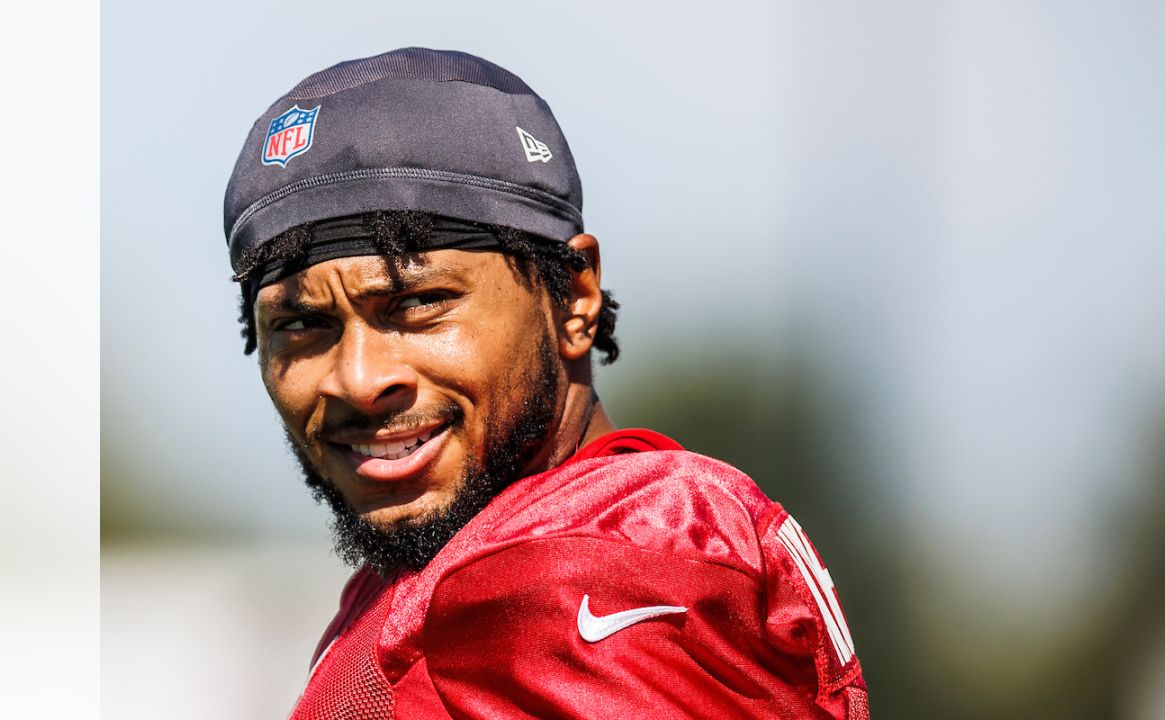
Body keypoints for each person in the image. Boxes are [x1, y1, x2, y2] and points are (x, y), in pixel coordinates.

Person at [223, 47, 870, 719]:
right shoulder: (475, 560)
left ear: (573, 297)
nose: (359, 380)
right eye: (301, 323)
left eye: (417, 305)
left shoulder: (578, 569)